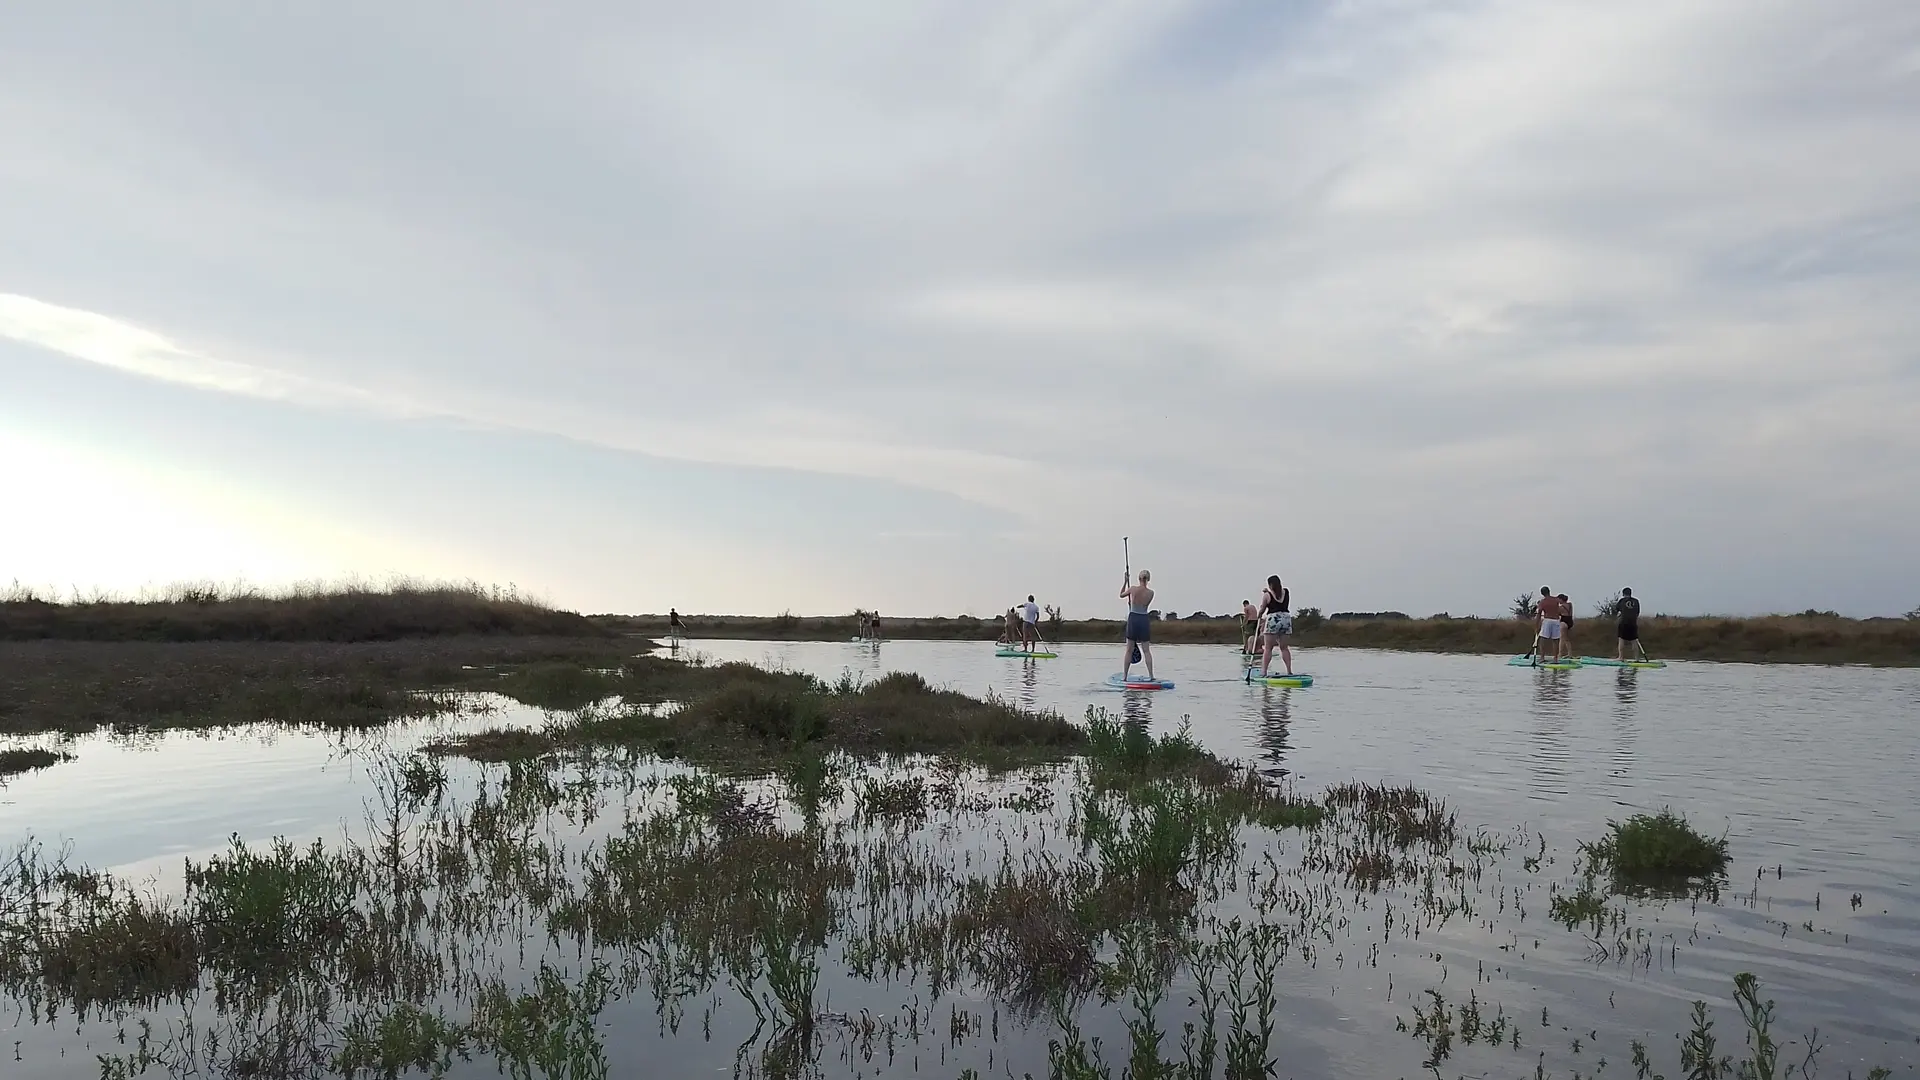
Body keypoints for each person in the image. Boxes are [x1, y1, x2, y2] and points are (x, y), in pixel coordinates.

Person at [1120, 569, 1155, 681]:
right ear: (1148, 579)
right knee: (1146, 650)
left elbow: (1121, 595)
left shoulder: (1132, 589)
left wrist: (1125, 581)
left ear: (1139, 578)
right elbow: (1143, 605)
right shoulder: (1151, 593)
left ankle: (1125, 677)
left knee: (1129, 650)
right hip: (1144, 619)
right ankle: (1151, 676)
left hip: (1133, 618)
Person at [1256, 575, 1294, 677]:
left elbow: (1262, 609)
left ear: (1270, 585)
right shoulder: (1286, 592)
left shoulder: (1267, 595)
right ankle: (1289, 671)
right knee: (1284, 648)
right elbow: (1277, 595)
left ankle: (1264, 672)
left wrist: (1259, 615)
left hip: (1273, 620)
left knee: (1268, 648)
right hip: (1286, 619)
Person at [1534, 586, 1564, 664]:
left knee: (1543, 639)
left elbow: (1539, 614)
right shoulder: (1556, 600)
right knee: (1555, 640)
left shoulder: (1542, 602)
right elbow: (1561, 608)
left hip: (1547, 620)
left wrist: (1536, 626)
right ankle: (1555, 658)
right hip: (1556, 620)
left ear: (1542, 593)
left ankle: (1542, 657)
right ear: (1549, 591)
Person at [1615, 587, 1646, 660]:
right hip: (1633, 623)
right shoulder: (1636, 601)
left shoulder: (1622, 601)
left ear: (1623, 594)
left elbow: (1617, 609)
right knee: (1634, 640)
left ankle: (1621, 657)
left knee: (1621, 639)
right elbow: (1637, 612)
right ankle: (1636, 658)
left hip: (1623, 623)